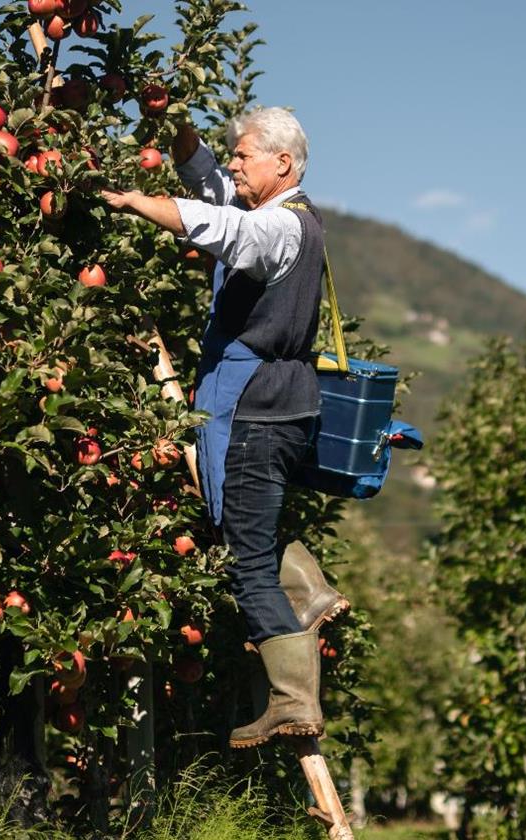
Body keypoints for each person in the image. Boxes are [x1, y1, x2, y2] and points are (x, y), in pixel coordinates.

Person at [101, 107, 345, 749]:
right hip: (284, 402)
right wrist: (176, 127)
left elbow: (225, 226)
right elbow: (208, 181)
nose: (233, 165)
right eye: (233, 154)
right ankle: (311, 592)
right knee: (247, 518)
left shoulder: (279, 228)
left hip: (255, 403)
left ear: (283, 164)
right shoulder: (290, 216)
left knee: (245, 561)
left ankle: (293, 700)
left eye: (245, 156)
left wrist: (134, 200)